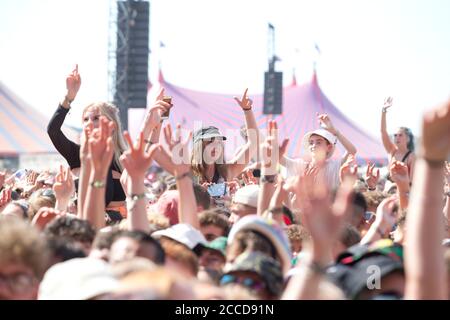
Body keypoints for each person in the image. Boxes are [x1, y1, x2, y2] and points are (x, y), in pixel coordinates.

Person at [47, 65, 127, 215]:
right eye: (85, 119)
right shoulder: (77, 154)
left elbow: (107, 197)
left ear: (112, 124)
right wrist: (69, 97)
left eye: (96, 118)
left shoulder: (123, 156)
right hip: (85, 227)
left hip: (117, 230)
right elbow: (53, 131)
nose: (89, 122)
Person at [281, 113, 357, 192]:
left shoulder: (335, 166)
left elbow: (352, 151)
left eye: (319, 142)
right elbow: (278, 158)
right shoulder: (300, 165)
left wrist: (335, 132)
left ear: (329, 147)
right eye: (311, 143)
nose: (314, 145)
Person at [380, 97, 416, 180]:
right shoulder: (392, 151)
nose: (397, 137)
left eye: (400, 135)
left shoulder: (412, 156)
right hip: (389, 190)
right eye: (395, 135)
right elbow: (383, 131)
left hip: (404, 191)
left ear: (408, 139)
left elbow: (411, 181)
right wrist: (383, 111)